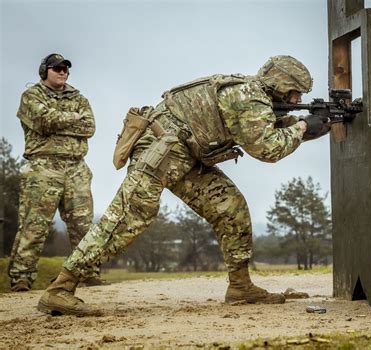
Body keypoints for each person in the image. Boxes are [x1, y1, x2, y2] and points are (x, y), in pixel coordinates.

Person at [38, 55, 330, 315]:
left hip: (185, 154)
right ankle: (60, 289)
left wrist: (311, 124)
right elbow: (267, 149)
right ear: (280, 83)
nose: (296, 99)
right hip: (162, 147)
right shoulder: (248, 96)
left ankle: (240, 287)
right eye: (295, 93)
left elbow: (267, 129)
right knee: (129, 216)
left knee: (230, 207)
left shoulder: (255, 97)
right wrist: (303, 127)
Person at [8, 53, 105, 291]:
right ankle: (22, 277)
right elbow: (42, 121)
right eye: (56, 68)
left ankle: (87, 273)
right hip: (43, 167)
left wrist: (58, 123)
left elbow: (90, 126)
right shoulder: (31, 96)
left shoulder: (78, 97)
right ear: (45, 71)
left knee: (82, 225)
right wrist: (73, 120)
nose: (62, 72)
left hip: (76, 168)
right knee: (34, 225)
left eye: (65, 69)